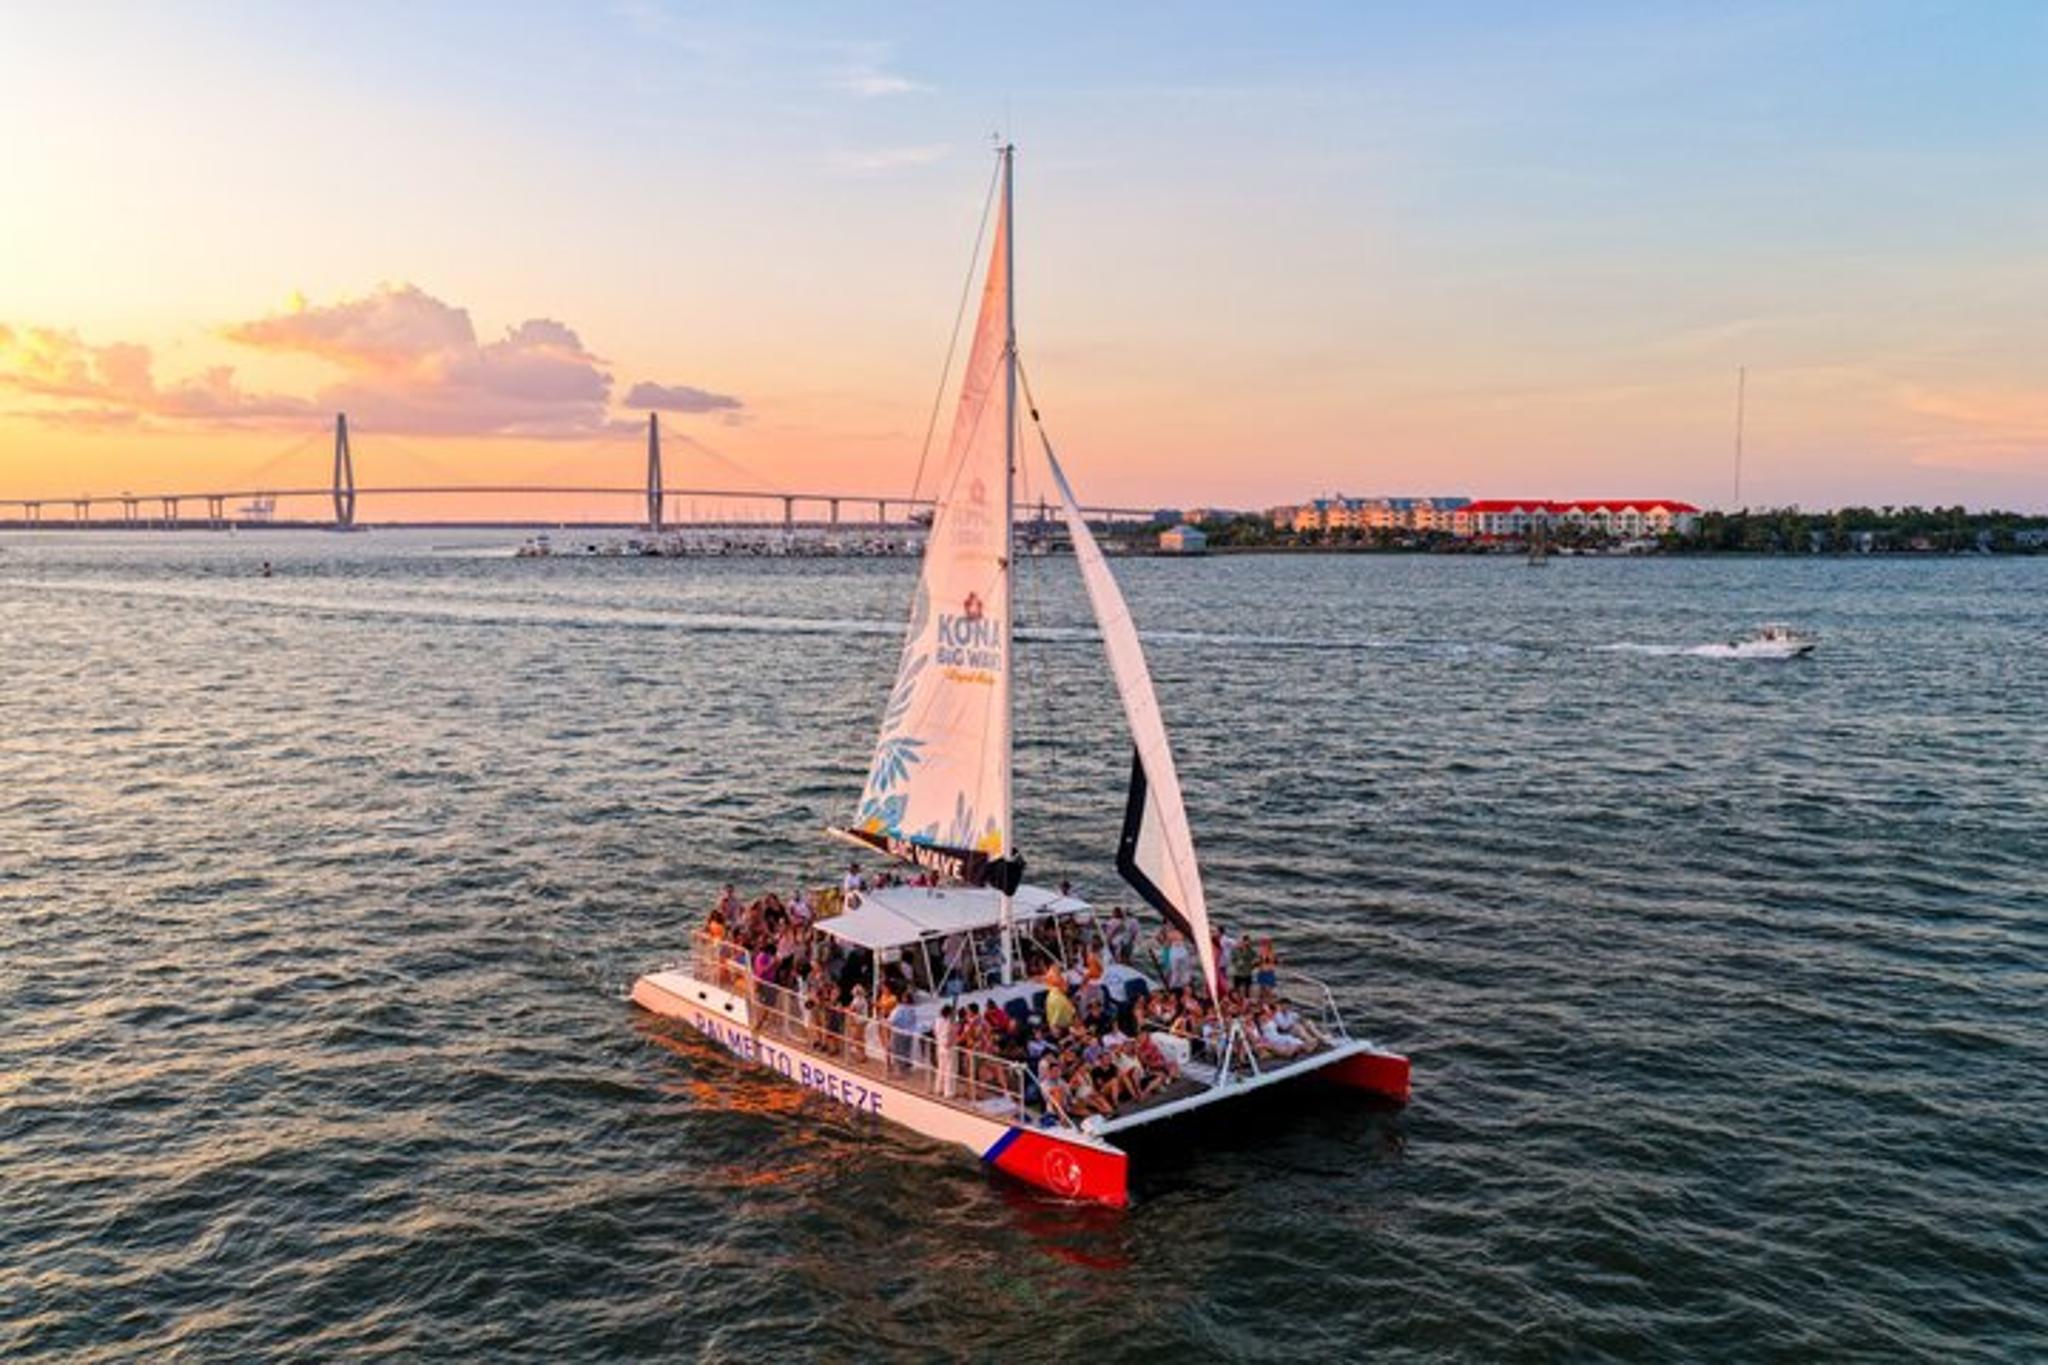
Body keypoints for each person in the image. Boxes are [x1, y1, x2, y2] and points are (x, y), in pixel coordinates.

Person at [888, 992, 919, 1075]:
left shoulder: (900, 1009)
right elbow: (914, 1021)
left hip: (899, 1033)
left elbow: (893, 1020)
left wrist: (889, 1022)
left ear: (905, 999)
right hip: (909, 1033)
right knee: (906, 1051)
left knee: (897, 1051)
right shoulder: (913, 1009)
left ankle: (899, 1071)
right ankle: (905, 1070)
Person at [933, 1004, 958, 1098]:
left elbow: (935, 1032)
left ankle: (938, 1088)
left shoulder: (937, 1020)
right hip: (948, 1047)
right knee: (950, 1069)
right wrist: (951, 1043)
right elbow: (952, 1035)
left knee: (941, 1068)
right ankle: (948, 1092)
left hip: (940, 1045)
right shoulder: (950, 1023)